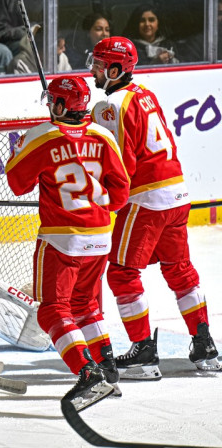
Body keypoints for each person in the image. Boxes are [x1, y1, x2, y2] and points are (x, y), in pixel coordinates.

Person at [88, 36, 221, 378]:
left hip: (146, 199)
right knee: (180, 270)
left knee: (121, 272)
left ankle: (143, 351)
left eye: (99, 66)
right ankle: (204, 345)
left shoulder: (108, 106)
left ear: (116, 69)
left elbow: (119, 162)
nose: (93, 71)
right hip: (176, 193)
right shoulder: (145, 94)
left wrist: (105, 199)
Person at [5, 75, 130, 409]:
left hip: (62, 239)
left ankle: (87, 374)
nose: (49, 106)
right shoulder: (102, 135)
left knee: (51, 310)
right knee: (86, 306)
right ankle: (107, 370)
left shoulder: (42, 136)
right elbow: (119, 193)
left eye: (52, 101)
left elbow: (17, 182)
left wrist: (22, 148)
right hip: (101, 236)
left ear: (60, 105)